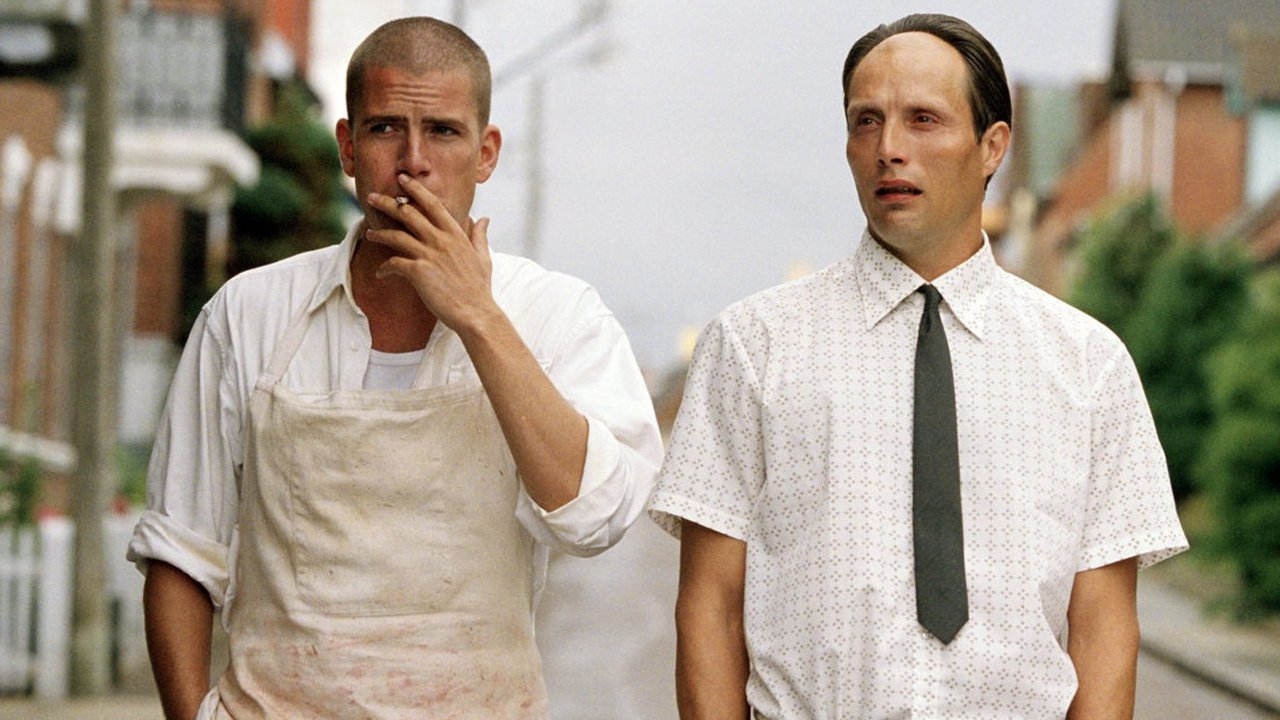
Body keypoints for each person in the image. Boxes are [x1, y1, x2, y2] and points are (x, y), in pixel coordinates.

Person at [649, 13, 1187, 720]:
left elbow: (1104, 630)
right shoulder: (752, 346)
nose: (889, 149)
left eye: (923, 120)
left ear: (993, 146)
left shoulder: (1090, 367)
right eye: (866, 122)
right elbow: (710, 609)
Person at [128, 16, 662, 720]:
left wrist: (478, 317)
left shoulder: (558, 316)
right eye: (385, 129)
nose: (414, 162)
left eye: (443, 131)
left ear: (486, 154)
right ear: (348, 147)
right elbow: (181, 549)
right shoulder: (249, 313)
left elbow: (595, 518)